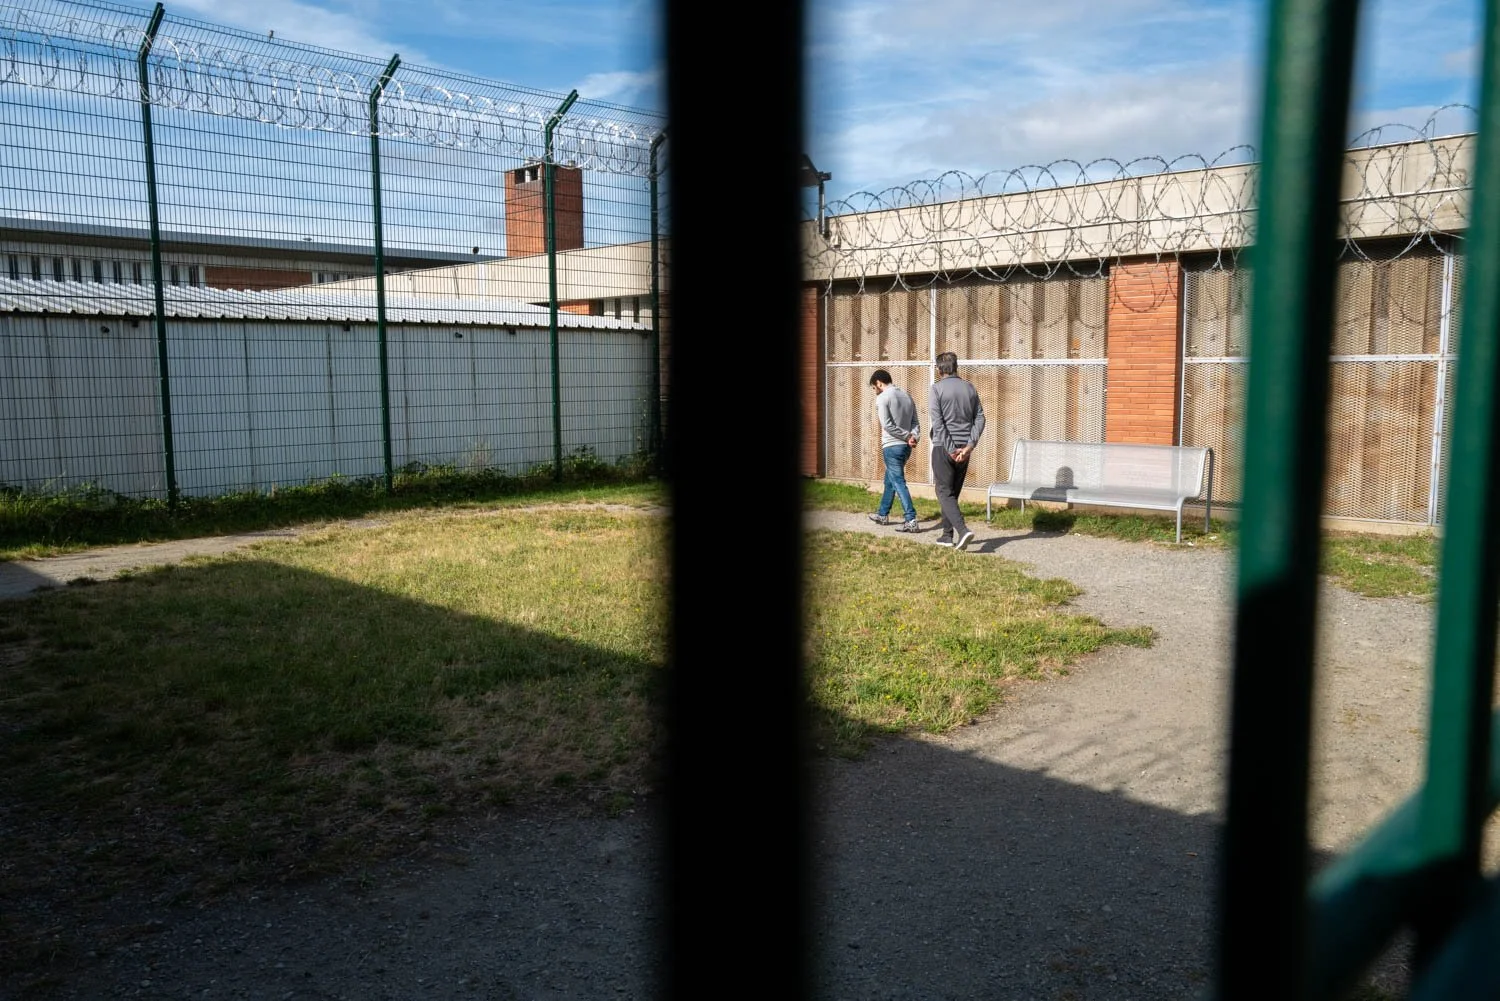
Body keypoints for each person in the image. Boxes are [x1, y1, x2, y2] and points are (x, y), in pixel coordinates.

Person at [928, 351, 985, 550]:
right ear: (956, 366)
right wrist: (969, 446)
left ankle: (962, 530)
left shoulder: (936, 389)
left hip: (944, 448)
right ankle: (946, 535)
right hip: (965, 450)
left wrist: (951, 449)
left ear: (939, 369)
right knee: (951, 493)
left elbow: (938, 423)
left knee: (943, 491)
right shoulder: (969, 387)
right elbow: (980, 418)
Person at [866, 370, 922, 533]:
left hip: (892, 446)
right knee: (890, 480)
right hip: (906, 447)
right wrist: (913, 437)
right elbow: (915, 422)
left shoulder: (882, 398)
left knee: (898, 482)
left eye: (873, 387)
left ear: (878, 383)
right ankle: (882, 514)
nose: (874, 390)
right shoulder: (907, 396)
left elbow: (888, 425)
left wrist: (906, 437)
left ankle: (911, 519)